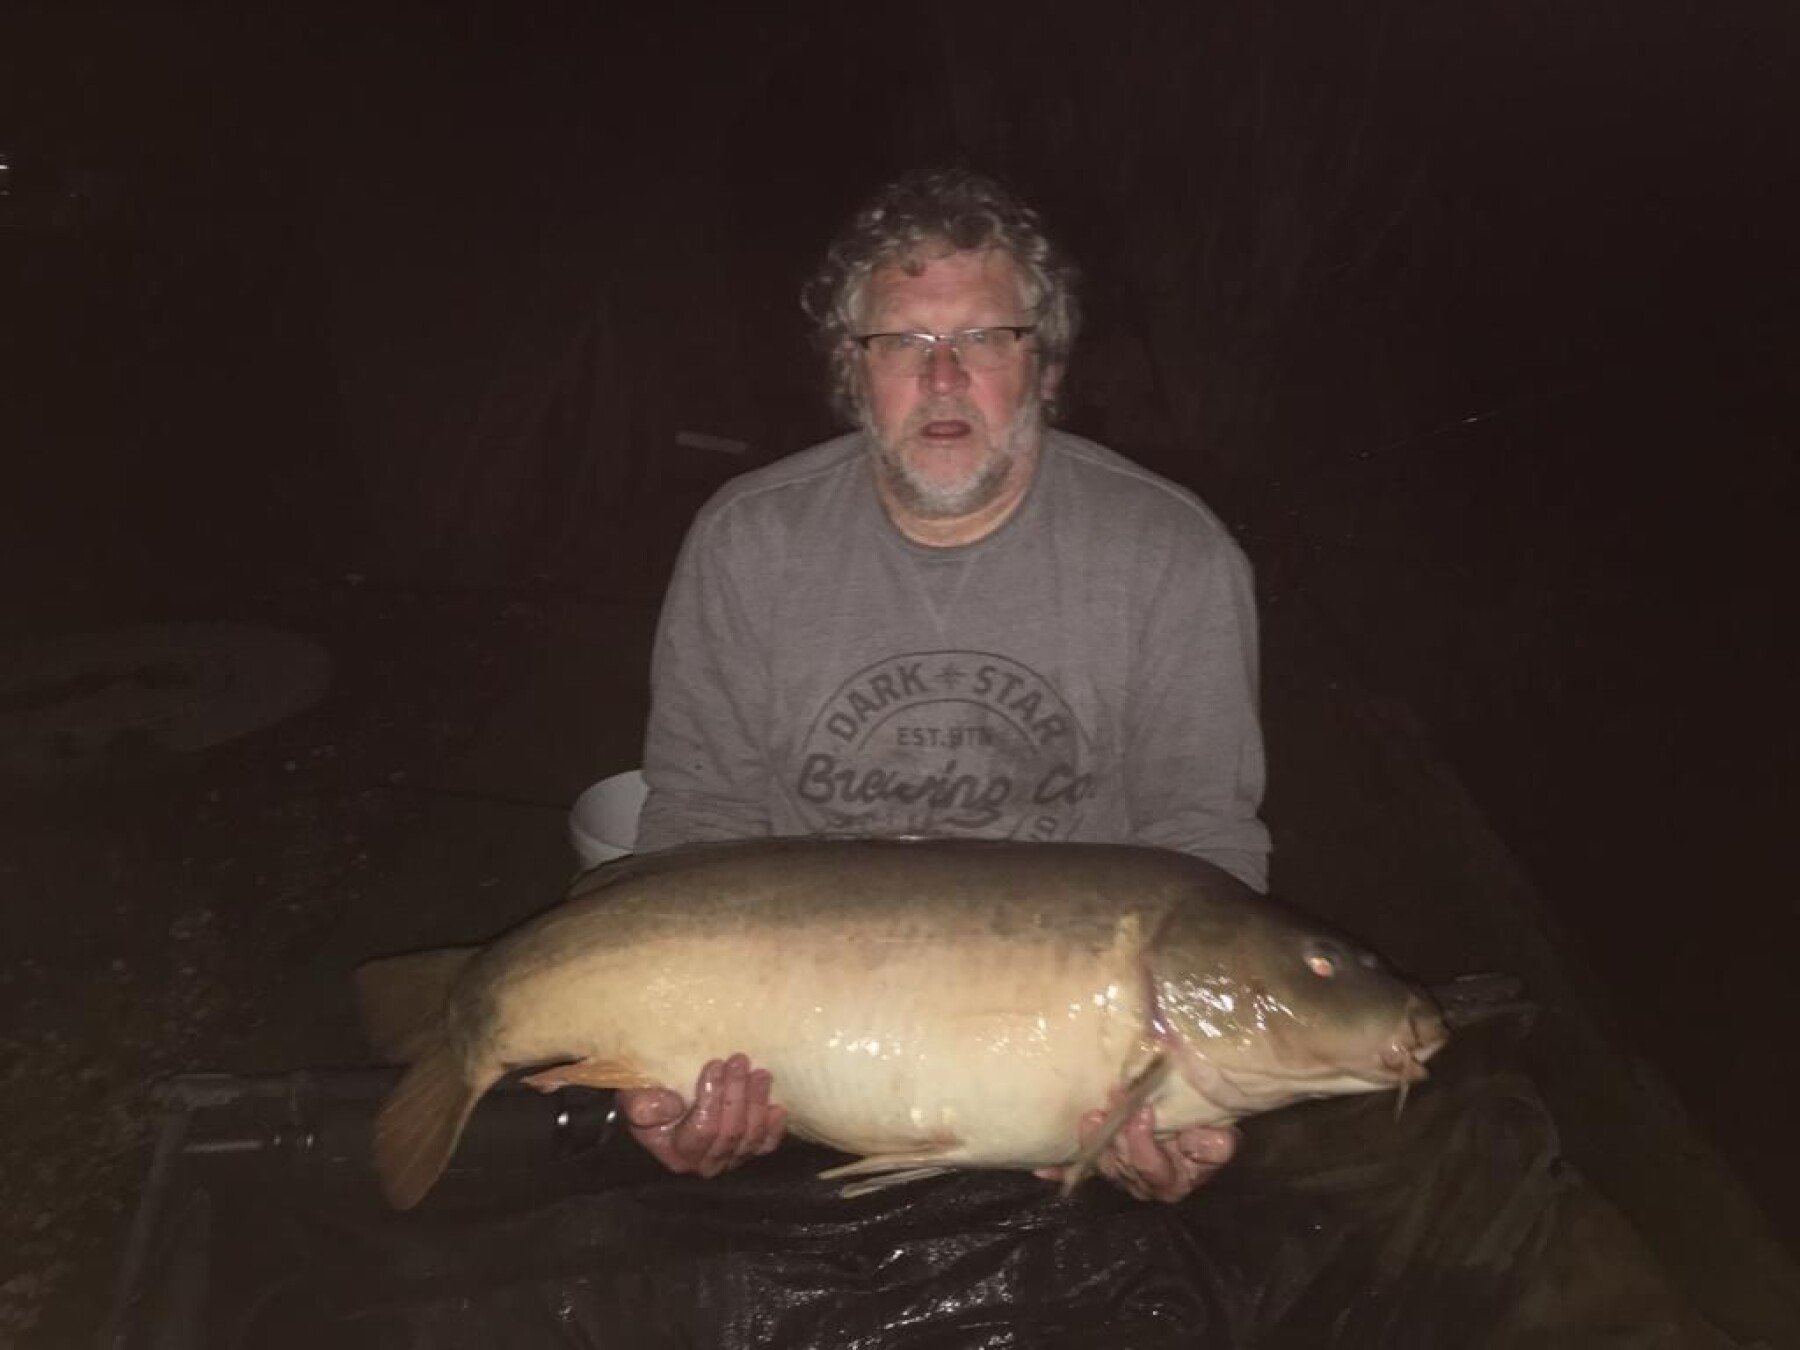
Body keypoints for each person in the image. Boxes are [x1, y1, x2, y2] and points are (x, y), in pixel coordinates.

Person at [619, 168, 1271, 1203]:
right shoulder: (748, 541)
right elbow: (699, 822)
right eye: (902, 343)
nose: (943, 378)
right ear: (852, 372)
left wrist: (1192, 1097)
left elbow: (1203, 846)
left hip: (1067, 1060)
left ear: (1046, 367)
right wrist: (668, 1073)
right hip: (799, 1054)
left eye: (984, 339)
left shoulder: (1173, 557)